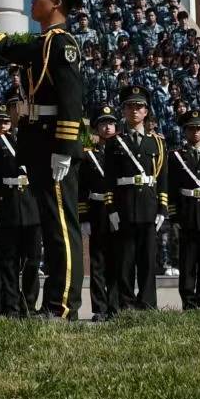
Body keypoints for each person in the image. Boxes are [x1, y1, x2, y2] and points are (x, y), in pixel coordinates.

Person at [0, 0, 87, 320]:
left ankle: (62, 306)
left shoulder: (62, 45)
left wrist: (64, 149)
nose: (33, 2)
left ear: (56, 2)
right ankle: (52, 304)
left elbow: (71, 99)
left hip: (52, 144)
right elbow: (9, 48)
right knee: (51, 226)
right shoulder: (42, 43)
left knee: (61, 228)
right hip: (38, 141)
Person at [106, 85, 165, 312]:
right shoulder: (115, 143)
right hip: (124, 207)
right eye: (130, 106)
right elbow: (109, 178)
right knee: (125, 260)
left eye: (139, 106)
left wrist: (162, 208)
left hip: (149, 207)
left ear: (146, 111)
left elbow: (163, 179)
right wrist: (111, 208)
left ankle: (148, 302)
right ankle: (127, 302)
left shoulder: (158, 143)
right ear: (123, 110)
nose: (134, 110)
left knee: (148, 260)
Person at [0, 99, 37, 319]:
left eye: (5, 121)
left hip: (24, 208)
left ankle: (21, 305)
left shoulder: (24, 145)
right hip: (0, 210)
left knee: (25, 261)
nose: (2, 126)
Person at [167, 110, 200, 310]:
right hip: (186, 211)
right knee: (187, 261)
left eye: (198, 128)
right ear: (185, 131)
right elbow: (171, 188)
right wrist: (174, 215)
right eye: (191, 129)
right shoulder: (177, 155)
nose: (195, 132)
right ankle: (188, 299)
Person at [79, 108, 119, 320]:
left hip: (118, 212)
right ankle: (100, 308)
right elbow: (81, 189)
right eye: (103, 123)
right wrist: (84, 217)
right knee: (97, 261)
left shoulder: (122, 151)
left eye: (111, 123)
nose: (107, 127)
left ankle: (115, 305)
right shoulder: (88, 155)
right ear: (96, 129)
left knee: (116, 260)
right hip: (97, 210)